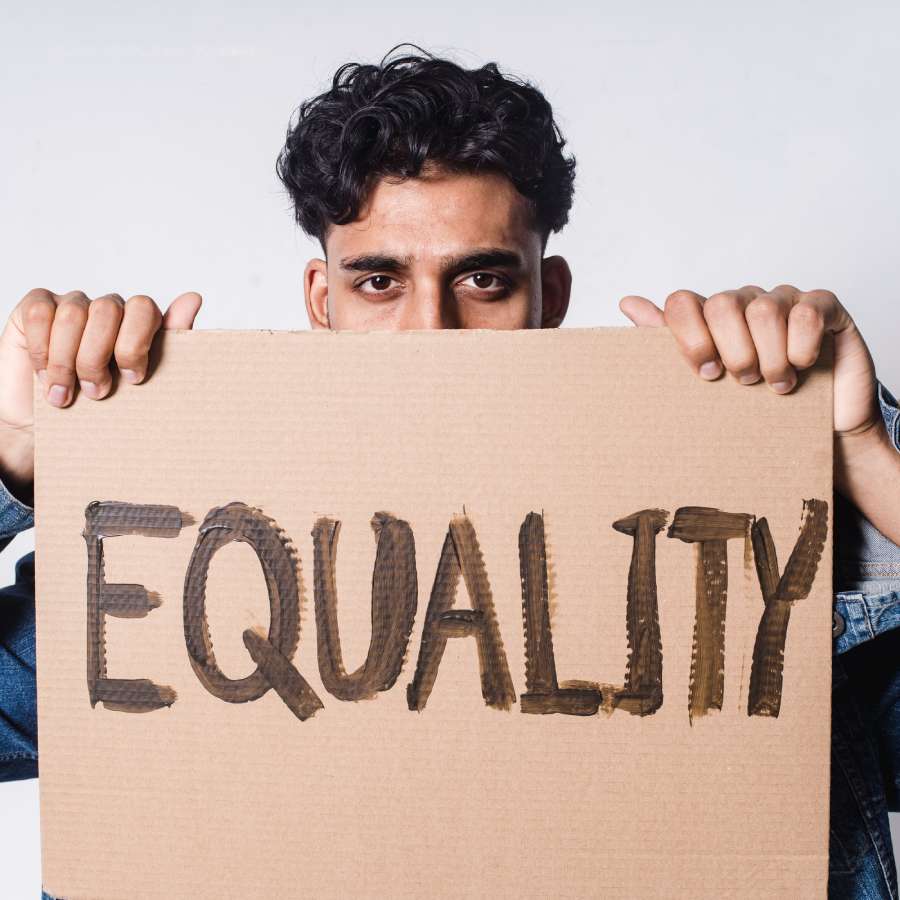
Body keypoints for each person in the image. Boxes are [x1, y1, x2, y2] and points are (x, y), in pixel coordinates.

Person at [1, 46, 898, 900]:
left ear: (548, 299)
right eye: (380, 282)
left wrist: (863, 453)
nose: (433, 332)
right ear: (324, 302)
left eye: (481, 280)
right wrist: (12, 456)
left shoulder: (712, 590)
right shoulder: (192, 591)